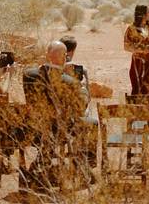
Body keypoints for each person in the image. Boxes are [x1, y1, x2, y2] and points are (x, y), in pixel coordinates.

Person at [22, 40, 97, 176]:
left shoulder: (27, 74)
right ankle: (85, 162)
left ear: (46, 55)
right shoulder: (69, 81)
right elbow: (81, 107)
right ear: (64, 58)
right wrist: (82, 86)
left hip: (33, 127)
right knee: (93, 123)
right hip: (58, 128)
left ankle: (43, 160)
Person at [124, 4, 149, 95]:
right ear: (143, 14)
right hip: (138, 64)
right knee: (139, 88)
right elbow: (126, 46)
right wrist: (142, 49)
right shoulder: (132, 29)